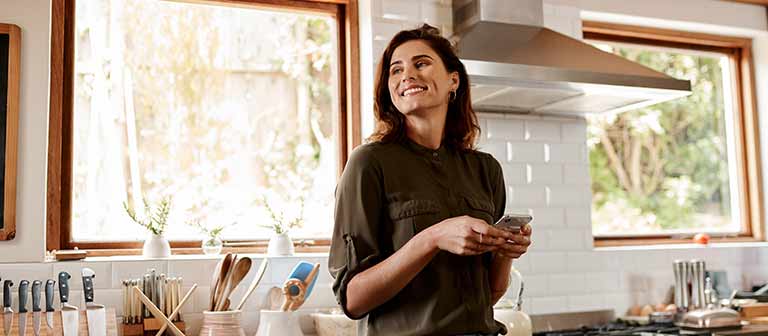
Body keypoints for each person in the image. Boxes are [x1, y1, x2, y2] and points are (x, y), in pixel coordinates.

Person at [328, 24, 533, 336]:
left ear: (454, 80)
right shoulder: (369, 163)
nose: (407, 76)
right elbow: (353, 300)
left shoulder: (485, 169)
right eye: (395, 71)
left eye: (421, 63)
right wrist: (431, 238)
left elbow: (487, 295)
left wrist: (504, 253)